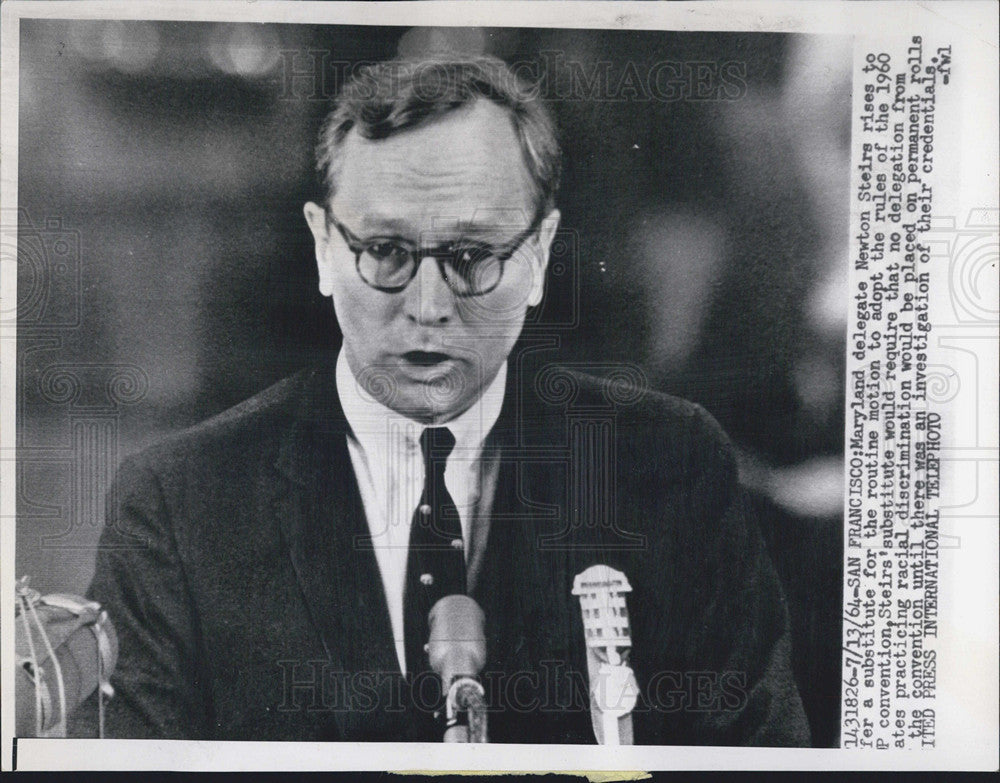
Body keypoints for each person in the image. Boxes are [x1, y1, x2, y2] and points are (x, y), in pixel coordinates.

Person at [72, 56, 810, 745]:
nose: (428, 306)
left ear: (541, 255)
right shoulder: (177, 506)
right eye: (386, 252)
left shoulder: (668, 467)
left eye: (473, 256)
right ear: (325, 246)